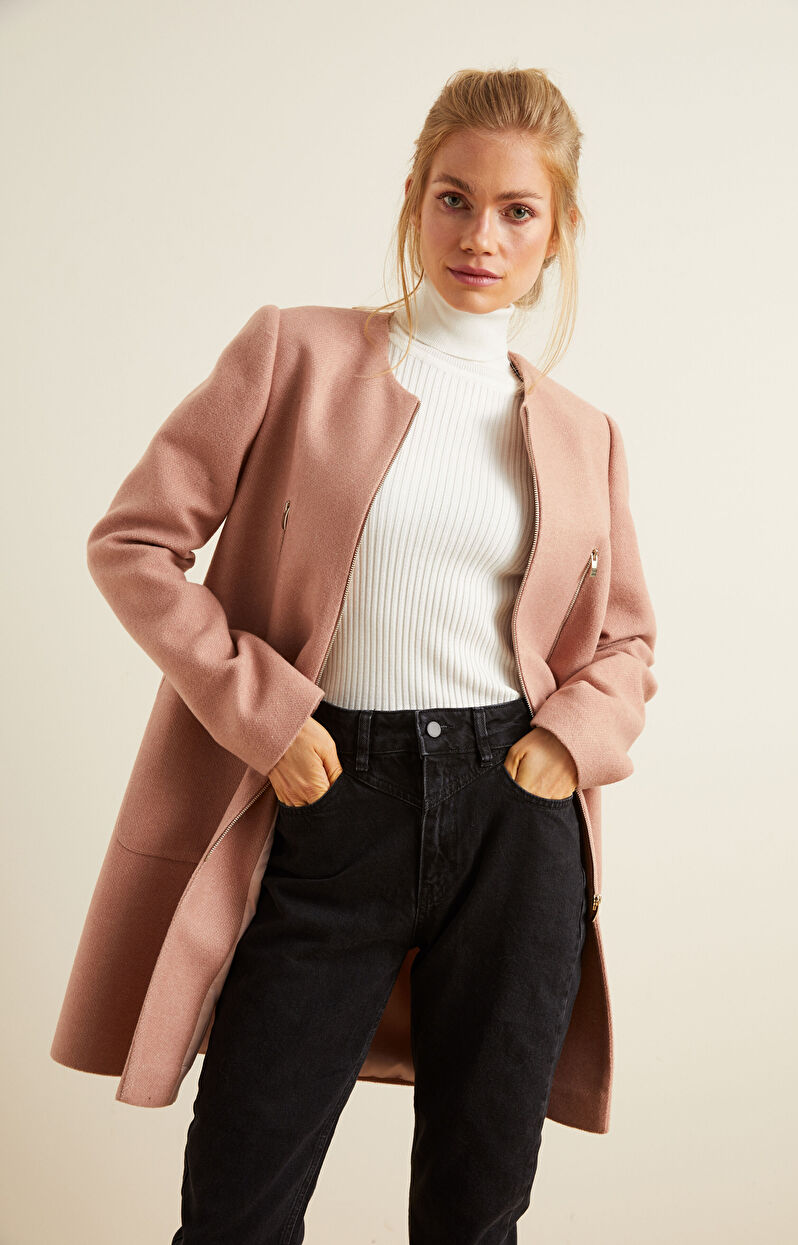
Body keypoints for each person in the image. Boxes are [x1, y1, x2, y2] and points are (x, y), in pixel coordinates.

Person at [52, 66, 658, 1244]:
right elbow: (133, 544)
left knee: (475, 1213)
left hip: (514, 819)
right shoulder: (293, 354)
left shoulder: (584, 433)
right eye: (453, 199)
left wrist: (564, 745)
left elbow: (624, 639)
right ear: (414, 200)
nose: (479, 236)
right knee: (237, 1205)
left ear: (557, 230)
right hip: (327, 796)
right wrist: (264, 716)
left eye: (516, 210)